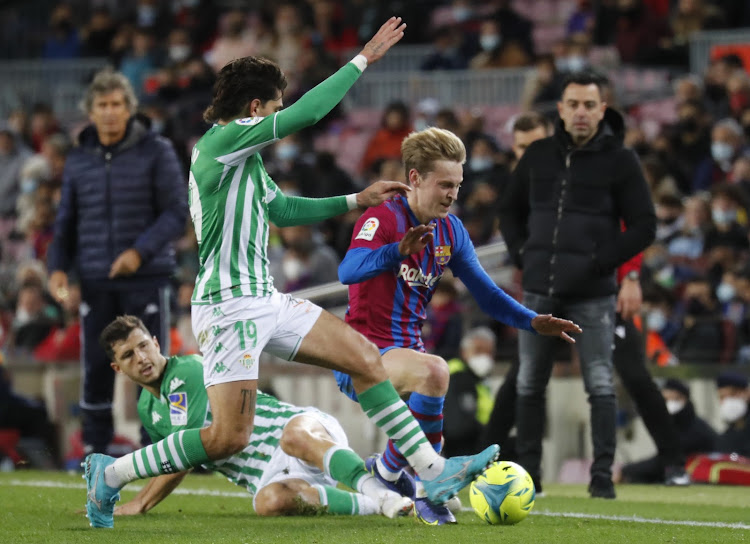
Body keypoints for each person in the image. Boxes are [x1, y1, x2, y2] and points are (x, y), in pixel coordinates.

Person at [83, 18, 501, 530]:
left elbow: (280, 211)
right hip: (228, 305)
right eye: (274, 107)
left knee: (366, 359)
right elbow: (309, 112)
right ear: (255, 109)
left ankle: (431, 472)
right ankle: (111, 473)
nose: (280, 115)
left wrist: (355, 199)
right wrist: (363, 58)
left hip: (266, 299)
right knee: (227, 437)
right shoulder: (220, 145)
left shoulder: (247, 164)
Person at [335, 126, 581, 524]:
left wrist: (532, 321)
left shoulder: (451, 231)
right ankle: (429, 484)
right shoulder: (382, 218)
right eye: (445, 184)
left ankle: (387, 472)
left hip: (405, 355)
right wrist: (396, 251)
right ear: (415, 179)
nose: (453, 194)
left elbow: (485, 294)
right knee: (434, 371)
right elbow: (348, 270)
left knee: (428, 380)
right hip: (359, 357)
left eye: (458, 184)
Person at [484, 109, 691, 486]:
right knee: (521, 379)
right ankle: (484, 459)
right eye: (518, 148)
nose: (524, 155)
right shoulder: (528, 183)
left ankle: (674, 461)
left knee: (632, 375)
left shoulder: (583, 172)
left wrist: (629, 277)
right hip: (548, 295)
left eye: (531, 146)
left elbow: (629, 224)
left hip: (599, 291)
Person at [499, 70, 657, 499]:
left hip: (593, 293)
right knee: (530, 383)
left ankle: (602, 479)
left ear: (602, 109)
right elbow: (508, 210)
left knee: (601, 384)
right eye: (574, 104)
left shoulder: (622, 160)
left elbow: (645, 225)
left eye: (590, 105)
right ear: (562, 110)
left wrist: (600, 263)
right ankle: (529, 478)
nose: (581, 112)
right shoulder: (537, 156)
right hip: (538, 290)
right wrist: (521, 254)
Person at [100, 316, 412, 519]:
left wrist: (140, 502)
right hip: (268, 474)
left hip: (295, 429)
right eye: (128, 355)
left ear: (156, 344)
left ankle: (379, 491)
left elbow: (186, 453)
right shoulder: (147, 408)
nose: (141, 358)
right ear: (117, 368)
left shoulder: (185, 372)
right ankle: (379, 502)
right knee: (269, 504)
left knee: (294, 438)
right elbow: (167, 461)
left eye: (143, 346)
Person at [47, 70, 187, 456]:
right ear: (90, 112)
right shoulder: (78, 160)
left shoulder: (156, 150)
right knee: (96, 366)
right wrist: (57, 269)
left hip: (147, 275)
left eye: (117, 105)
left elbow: (177, 212)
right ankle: (95, 451)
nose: (110, 113)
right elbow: (66, 225)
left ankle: (158, 447)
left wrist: (138, 252)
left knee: (151, 365)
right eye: (102, 106)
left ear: (130, 109)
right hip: (95, 279)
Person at [620, 379, 718, 484]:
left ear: (686, 399)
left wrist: (624, 470)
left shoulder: (696, 430)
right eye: (666, 400)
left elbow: (665, 460)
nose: (670, 404)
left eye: (676, 399)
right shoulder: (675, 425)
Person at [443, 327, 497, 457]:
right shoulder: (457, 375)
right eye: (478, 350)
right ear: (464, 352)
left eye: (489, 352)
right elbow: (458, 427)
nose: (484, 356)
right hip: (465, 454)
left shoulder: (478, 378)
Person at [716, 372, 750, 457]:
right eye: (721, 397)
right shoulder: (728, 433)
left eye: (731, 395)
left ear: (747, 393)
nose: (726, 402)